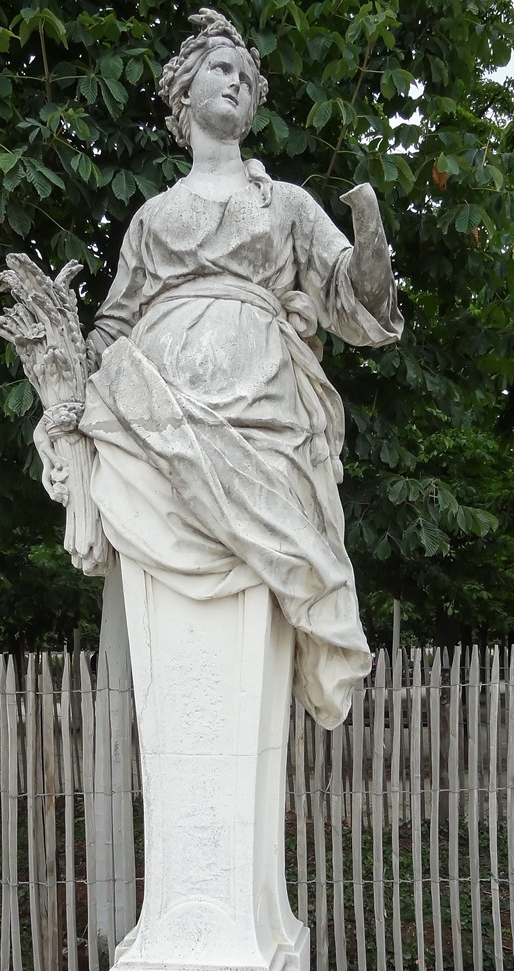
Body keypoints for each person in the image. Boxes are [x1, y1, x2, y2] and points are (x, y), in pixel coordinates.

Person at [78, 8, 403, 729]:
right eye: (217, 69)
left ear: (254, 105)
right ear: (184, 95)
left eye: (243, 75)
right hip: (156, 427)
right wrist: (64, 376)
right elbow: (112, 326)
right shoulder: (153, 218)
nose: (233, 80)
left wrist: (371, 235)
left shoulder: (285, 204)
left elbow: (354, 302)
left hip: (266, 421)